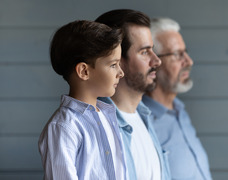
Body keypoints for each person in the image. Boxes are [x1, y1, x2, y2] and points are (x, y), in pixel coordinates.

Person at [38, 20, 126, 180]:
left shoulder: (107, 115)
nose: (121, 73)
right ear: (84, 71)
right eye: (113, 65)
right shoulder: (64, 127)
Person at [96, 9, 170, 180]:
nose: (157, 61)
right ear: (117, 59)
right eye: (144, 52)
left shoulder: (145, 118)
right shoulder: (97, 128)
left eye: (152, 50)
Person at [142, 18, 212, 180]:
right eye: (177, 54)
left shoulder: (180, 111)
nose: (188, 61)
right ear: (153, 62)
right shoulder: (142, 123)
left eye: (185, 52)